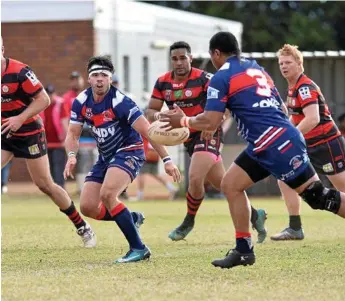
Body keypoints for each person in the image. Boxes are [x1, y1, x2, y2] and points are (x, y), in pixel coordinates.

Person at [161, 31, 345, 269]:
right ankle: (243, 250)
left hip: (273, 143)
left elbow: (211, 120)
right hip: (271, 141)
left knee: (318, 197)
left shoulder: (221, 76)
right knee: (230, 185)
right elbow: (279, 106)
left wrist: (183, 121)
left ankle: (244, 248)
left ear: (216, 53)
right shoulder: (257, 69)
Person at [146, 41, 267, 243]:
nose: (179, 62)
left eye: (183, 57)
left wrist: (213, 125)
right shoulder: (162, 82)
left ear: (190, 58)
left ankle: (188, 221)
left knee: (194, 178)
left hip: (207, 133)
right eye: (174, 59)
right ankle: (256, 215)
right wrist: (159, 118)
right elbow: (150, 110)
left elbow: (226, 107)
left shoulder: (205, 79)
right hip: (187, 136)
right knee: (225, 184)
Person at [63, 55, 181, 263]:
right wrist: (71, 156)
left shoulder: (121, 102)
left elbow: (149, 131)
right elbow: (72, 134)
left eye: (104, 75)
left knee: (108, 194)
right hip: (106, 157)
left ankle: (139, 248)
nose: (99, 79)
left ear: (110, 79)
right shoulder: (81, 102)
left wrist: (167, 160)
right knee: (88, 206)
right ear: (89, 79)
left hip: (130, 151)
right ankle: (131, 217)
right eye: (95, 75)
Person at [0, 37, 96, 247]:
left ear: (2, 48)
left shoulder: (20, 71)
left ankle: (82, 226)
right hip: (5, 131)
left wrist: (19, 118)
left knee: (45, 185)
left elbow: (44, 99)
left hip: (29, 132)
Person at [270, 44, 345, 241]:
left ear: (299, 64)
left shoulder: (304, 87)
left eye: (288, 62)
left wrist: (290, 135)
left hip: (327, 144)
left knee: (342, 188)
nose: (283, 66)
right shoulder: (292, 87)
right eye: (281, 63)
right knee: (285, 177)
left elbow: (313, 119)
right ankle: (295, 227)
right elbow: (297, 117)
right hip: (309, 145)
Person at [41, 84, 69, 188]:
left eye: (51, 94)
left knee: (58, 165)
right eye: (48, 94)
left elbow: (64, 122)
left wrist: (66, 140)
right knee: (49, 166)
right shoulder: (41, 104)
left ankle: (60, 187)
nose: (50, 96)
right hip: (46, 142)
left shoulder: (60, 104)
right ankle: (52, 188)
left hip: (58, 142)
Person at [136, 134, 179, 201]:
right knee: (155, 174)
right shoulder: (155, 129)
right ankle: (172, 188)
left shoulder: (145, 127)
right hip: (155, 154)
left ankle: (140, 196)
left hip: (146, 153)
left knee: (141, 174)